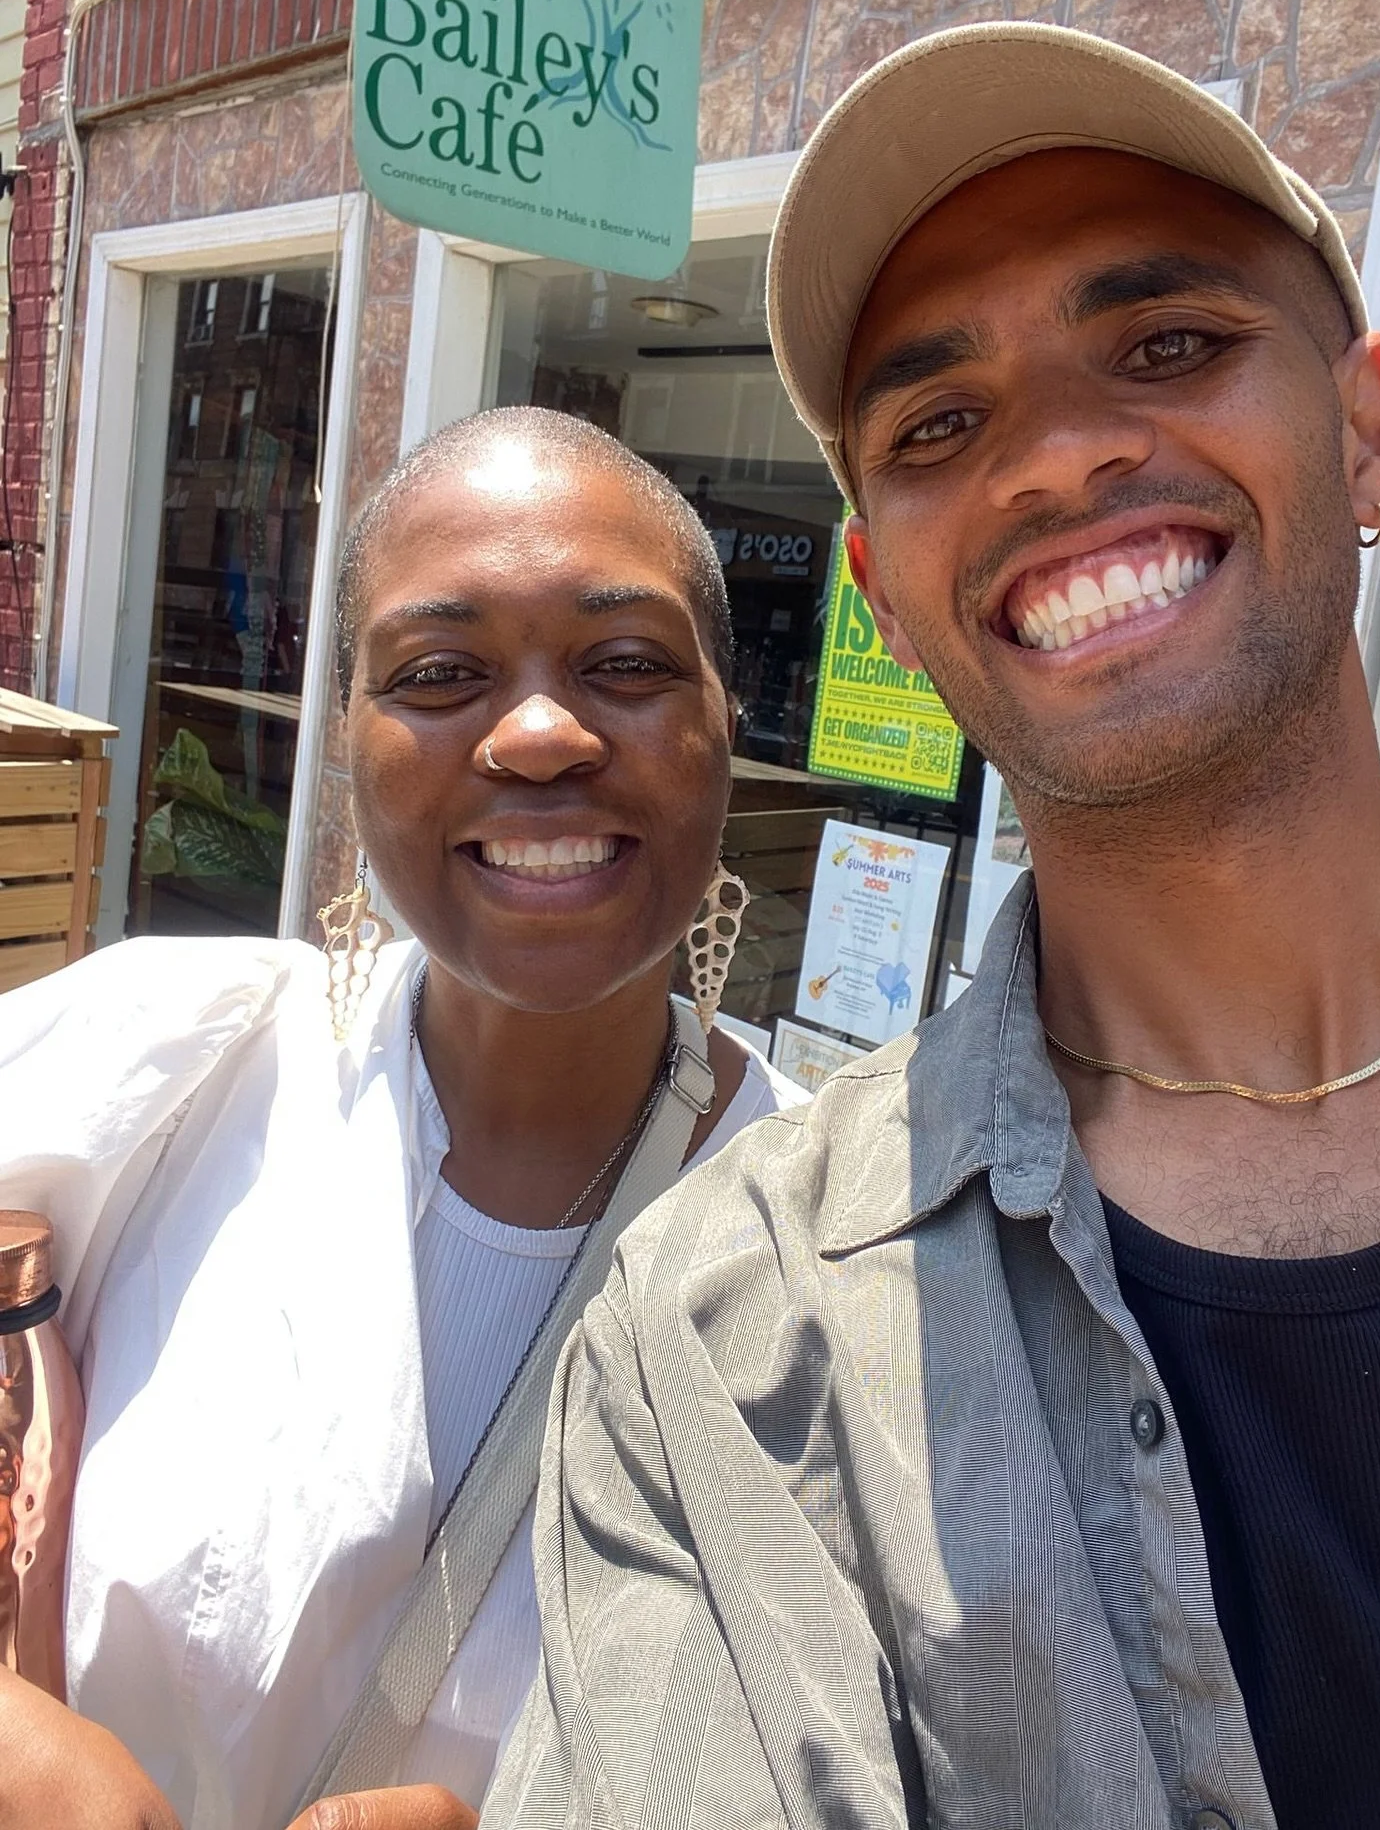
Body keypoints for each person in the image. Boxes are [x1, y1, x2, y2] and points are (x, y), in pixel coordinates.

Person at [483, 26, 1380, 1830]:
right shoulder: (723, 1353)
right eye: (938, 425)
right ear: (889, 606)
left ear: (1370, 426)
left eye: (1170, 344)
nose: (1060, 459)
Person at [0, 406, 806, 1830]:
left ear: (725, 724)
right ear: (351, 745)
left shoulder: (842, 1251)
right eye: (440, 673)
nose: (545, 732)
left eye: (626, 664)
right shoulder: (169, 1071)